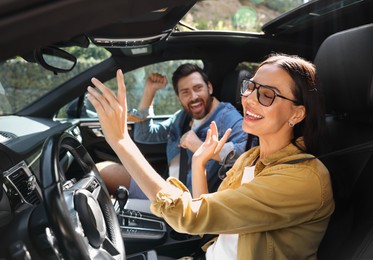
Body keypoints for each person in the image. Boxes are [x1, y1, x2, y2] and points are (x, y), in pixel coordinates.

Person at [87, 53, 335, 259]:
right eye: (250, 87)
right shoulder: (250, 159)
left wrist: (121, 141)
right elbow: (208, 225)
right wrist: (199, 161)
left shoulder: (304, 179)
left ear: (296, 114)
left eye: (267, 94)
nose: (248, 99)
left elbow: (191, 217)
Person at [97, 63, 248, 198]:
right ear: (179, 98)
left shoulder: (227, 116)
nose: (193, 97)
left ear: (209, 88)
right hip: (166, 189)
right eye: (185, 92)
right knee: (101, 171)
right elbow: (145, 135)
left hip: (189, 203)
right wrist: (149, 92)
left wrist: (202, 148)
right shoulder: (182, 117)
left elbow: (247, 151)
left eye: (198, 88)